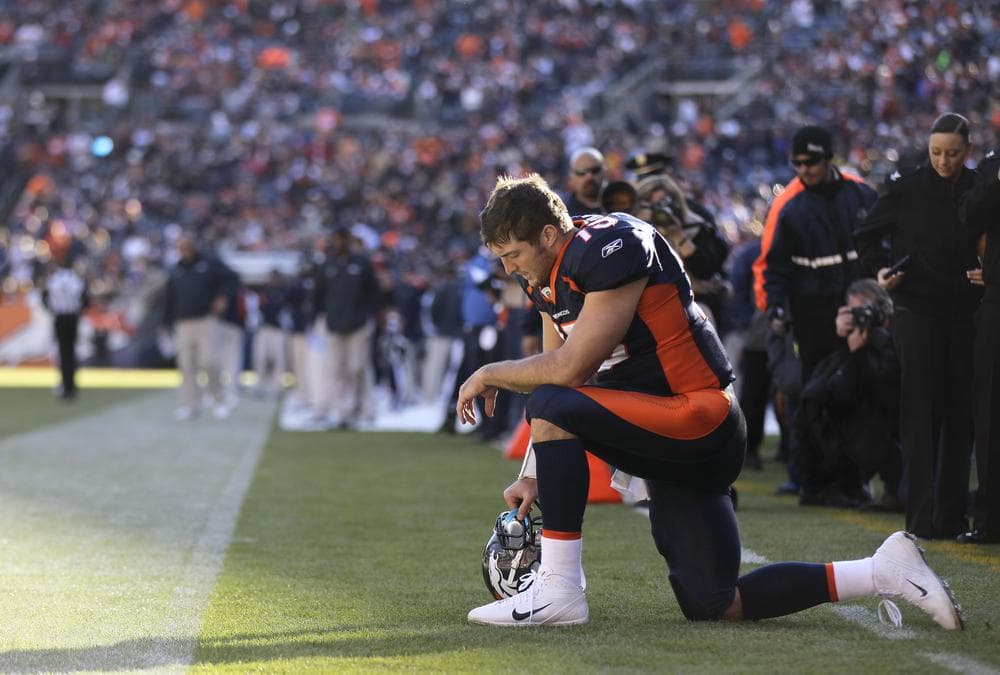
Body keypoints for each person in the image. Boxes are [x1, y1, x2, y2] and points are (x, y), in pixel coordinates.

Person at [457, 173, 961, 630]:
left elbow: (566, 373)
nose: (507, 269)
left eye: (513, 254)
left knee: (548, 399)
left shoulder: (610, 246)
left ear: (548, 235)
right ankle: (882, 571)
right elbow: (559, 377)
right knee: (716, 602)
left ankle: (560, 588)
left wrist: (486, 373)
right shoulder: (545, 275)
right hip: (666, 435)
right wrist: (535, 471)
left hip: (698, 417)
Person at [854, 113, 982, 540]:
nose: (943, 161)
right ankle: (921, 518)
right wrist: (881, 270)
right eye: (936, 152)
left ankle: (951, 515)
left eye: (952, 153)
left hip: (968, 313)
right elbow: (866, 236)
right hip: (917, 312)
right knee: (920, 415)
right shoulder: (906, 187)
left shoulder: (981, 187)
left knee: (961, 415)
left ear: (968, 151)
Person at [754, 125, 878, 385]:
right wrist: (775, 306)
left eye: (810, 162)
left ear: (828, 158)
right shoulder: (789, 210)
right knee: (821, 388)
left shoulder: (863, 196)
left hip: (866, 305)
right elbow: (775, 267)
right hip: (814, 317)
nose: (803, 170)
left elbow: (884, 247)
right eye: (796, 164)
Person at [796, 279, 902, 510]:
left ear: (884, 307)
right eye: (855, 311)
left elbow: (887, 386)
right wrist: (845, 342)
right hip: (860, 422)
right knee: (815, 401)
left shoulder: (896, 332)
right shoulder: (847, 337)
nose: (862, 316)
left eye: (867, 309)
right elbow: (833, 388)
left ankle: (892, 488)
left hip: (892, 422)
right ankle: (831, 484)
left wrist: (864, 350)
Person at [957, 148, 1000, 543]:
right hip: (996, 303)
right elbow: (968, 218)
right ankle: (990, 520)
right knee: (989, 413)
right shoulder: (992, 166)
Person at [161, 235, 238, 420]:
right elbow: (169, 299)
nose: (184, 250)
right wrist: (165, 323)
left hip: (206, 320)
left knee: (210, 361)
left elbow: (232, 279)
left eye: (187, 246)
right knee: (186, 366)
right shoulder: (176, 270)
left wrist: (223, 297)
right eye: (181, 247)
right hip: (182, 323)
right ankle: (191, 405)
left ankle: (218, 399)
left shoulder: (209, 264)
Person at [313, 227, 380, 429]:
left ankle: (357, 409)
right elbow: (318, 295)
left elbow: (374, 292)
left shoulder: (361, 263)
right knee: (337, 370)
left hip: (357, 325)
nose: (338, 242)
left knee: (357, 368)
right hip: (334, 326)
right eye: (336, 239)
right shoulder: (327, 265)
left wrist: (368, 314)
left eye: (341, 238)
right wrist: (321, 317)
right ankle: (342, 413)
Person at [42, 257, 88, 400]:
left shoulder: (53, 280)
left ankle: (65, 385)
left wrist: (53, 309)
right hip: (72, 317)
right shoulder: (76, 279)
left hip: (60, 317)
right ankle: (72, 385)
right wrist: (77, 310)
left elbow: (44, 298)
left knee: (63, 352)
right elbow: (85, 300)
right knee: (72, 351)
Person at [563, 147, 606, 216]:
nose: (589, 176)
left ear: (604, 172)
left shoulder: (620, 203)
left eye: (595, 170)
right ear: (571, 177)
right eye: (581, 172)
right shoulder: (563, 212)